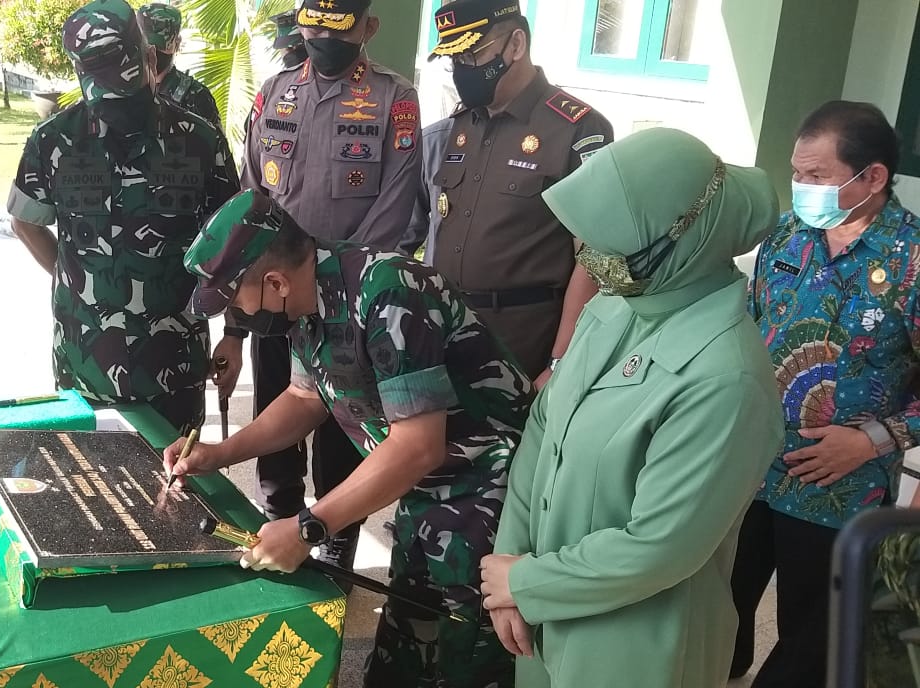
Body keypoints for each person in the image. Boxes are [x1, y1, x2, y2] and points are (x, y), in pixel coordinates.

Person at [169, 189, 532, 687]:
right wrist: (220, 453)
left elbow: (416, 445)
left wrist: (307, 528)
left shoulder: (389, 290)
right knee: (401, 654)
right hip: (423, 491)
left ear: (274, 282)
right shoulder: (307, 299)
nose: (239, 314)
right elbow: (304, 399)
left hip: (489, 493)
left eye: (237, 299)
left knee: (470, 658)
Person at [480, 127, 785, 688]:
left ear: (687, 236)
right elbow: (543, 431)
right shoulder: (619, 308)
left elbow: (660, 545)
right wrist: (509, 573)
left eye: (615, 247)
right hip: (541, 616)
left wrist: (526, 583)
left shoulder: (726, 377)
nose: (593, 261)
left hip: (637, 647)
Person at [730, 101, 920, 688]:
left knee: (810, 643)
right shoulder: (786, 235)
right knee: (719, 613)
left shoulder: (912, 258)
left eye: (817, 176)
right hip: (748, 470)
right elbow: (749, 327)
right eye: (797, 174)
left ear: (873, 177)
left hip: (839, 488)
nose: (802, 188)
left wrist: (872, 441)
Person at [240, 0, 423, 571]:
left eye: (336, 28)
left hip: (349, 304)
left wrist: (326, 281)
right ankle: (276, 516)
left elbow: (396, 208)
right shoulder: (274, 93)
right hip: (274, 297)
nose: (321, 38)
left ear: (367, 29)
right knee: (278, 403)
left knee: (344, 425)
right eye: (311, 26)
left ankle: (335, 536)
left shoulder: (396, 100)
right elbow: (249, 200)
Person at [8, 0, 241, 437]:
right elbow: (25, 220)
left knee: (176, 494)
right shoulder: (53, 141)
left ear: (150, 59)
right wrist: (73, 276)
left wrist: (234, 333)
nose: (117, 108)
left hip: (174, 362)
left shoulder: (199, 141)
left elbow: (232, 242)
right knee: (91, 490)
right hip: (86, 362)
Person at [426, 0, 614, 388]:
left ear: (516, 44)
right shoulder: (462, 125)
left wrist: (560, 361)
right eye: (454, 58)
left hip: (521, 340)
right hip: (445, 330)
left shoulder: (576, 130)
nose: (463, 69)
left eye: (473, 54)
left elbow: (596, 257)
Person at [136, 3, 221, 128]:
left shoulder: (197, 97)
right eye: (146, 48)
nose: (153, 53)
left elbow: (217, 144)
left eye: (158, 47)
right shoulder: (127, 90)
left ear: (177, 43)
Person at [241, 9, 305, 140]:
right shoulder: (271, 88)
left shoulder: (328, 83)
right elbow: (250, 129)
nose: (290, 52)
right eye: (287, 48)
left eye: (298, 47)